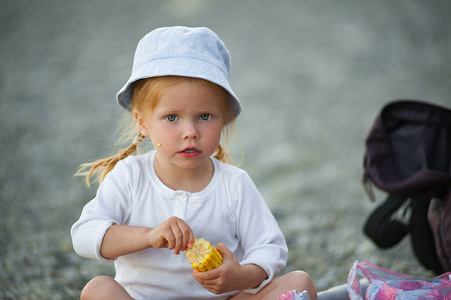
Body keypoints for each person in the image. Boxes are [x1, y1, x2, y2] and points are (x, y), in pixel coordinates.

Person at [71, 26, 317, 300]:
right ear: (142, 122)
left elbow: (270, 246)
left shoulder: (234, 183)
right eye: (172, 117)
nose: (190, 132)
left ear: (224, 118)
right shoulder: (130, 176)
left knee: (299, 282)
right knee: (97, 289)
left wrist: (243, 275)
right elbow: (84, 235)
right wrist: (149, 235)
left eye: (204, 116)